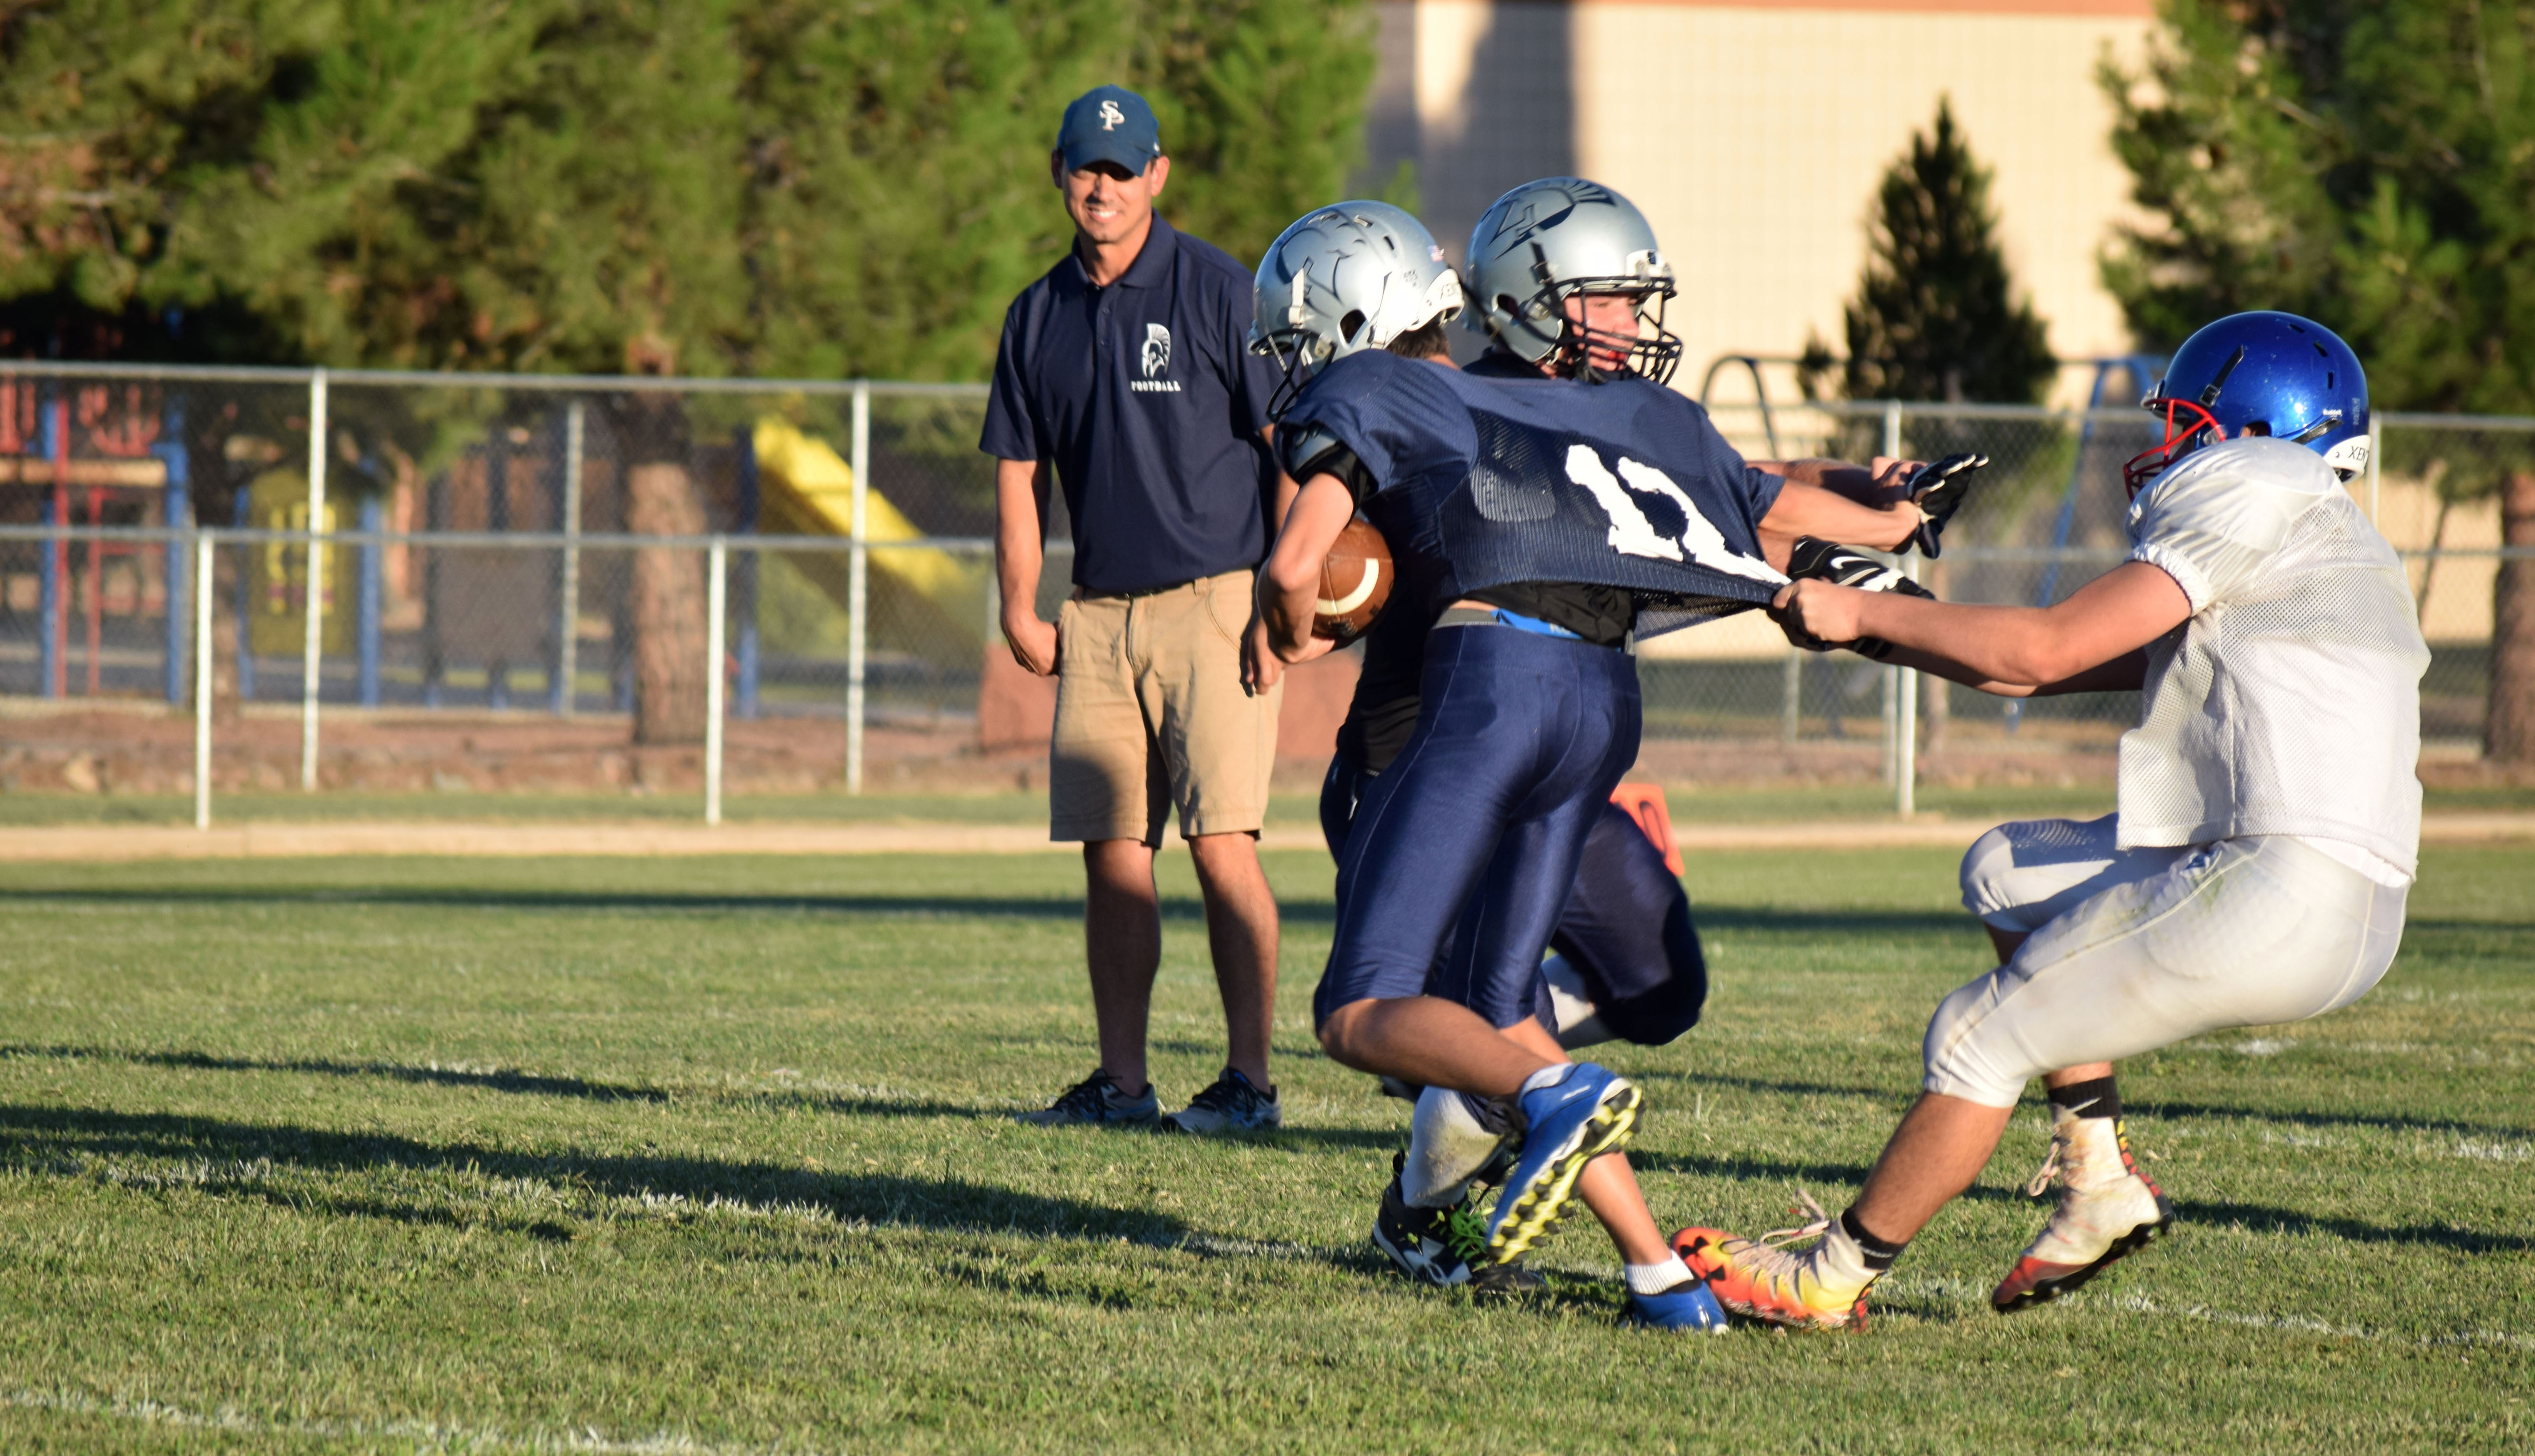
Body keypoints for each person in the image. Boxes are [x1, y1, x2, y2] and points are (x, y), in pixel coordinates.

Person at [1676, 311, 2423, 1329]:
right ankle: (2098, 1178)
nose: (2167, 445)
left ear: (2251, 428)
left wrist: (1864, 612)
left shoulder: (2258, 482)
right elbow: (2034, 663)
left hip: (2280, 881)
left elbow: (2044, 650)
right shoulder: (2315, 528)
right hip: (2342, 893)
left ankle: (1829, 1276)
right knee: (2008, 871)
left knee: (1979, 1034)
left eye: (2189, 421)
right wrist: (1890, 616)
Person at [1315, 179, 1950, 1293]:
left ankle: (1483, 1150)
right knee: (1483, 1013)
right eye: (1604, 300)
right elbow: (1311, 558)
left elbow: (1738, 485)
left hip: (1549, 721)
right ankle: (1623, 1256)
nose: (1627, 324)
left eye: (1631, 300)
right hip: (1426, 744)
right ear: (1524, 301)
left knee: (1656, 988)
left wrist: (1879, 499)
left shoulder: (1609, 408)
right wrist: (1309, 595)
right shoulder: (1434, 406)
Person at [982, 85, 1294, 1134]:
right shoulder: (1038, 315)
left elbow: (1285, 450)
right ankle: (1123, 1082)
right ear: (1061, 173)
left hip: (1216, 605)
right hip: (1096, 620)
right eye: (1086, 167)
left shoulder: (1217, 290)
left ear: (1157, 175)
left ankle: (1249, 1079)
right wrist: (1019, 604)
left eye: (1123, 169)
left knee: (1223, 844)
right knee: (1112, 854)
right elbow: (1018, 474)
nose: (1102, 186)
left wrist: (1277, 601)